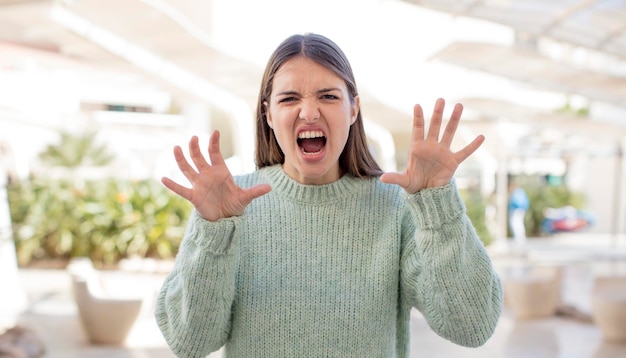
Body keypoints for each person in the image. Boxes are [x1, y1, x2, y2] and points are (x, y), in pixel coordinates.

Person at [155, 33, 503, 358]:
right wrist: (213, 233)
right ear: (268, 115)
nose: (309, 112)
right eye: (289, 98)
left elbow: (471, 326)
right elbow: (190, 342)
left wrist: (436, 204)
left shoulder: (395, 208)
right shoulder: (231, 206)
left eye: (328, 96)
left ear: (354, 109)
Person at [508, 181, 529, 245]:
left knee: (515, 223)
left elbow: (515, 202)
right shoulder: (521, 192)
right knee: (519, 223)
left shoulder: (516, 193)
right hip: (521, 210)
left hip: (516, 210)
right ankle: (521, 237)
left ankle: (518, 237)